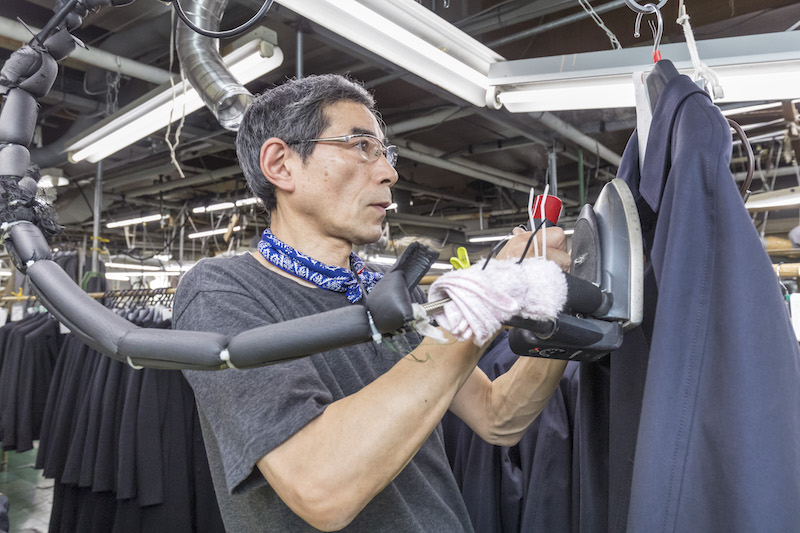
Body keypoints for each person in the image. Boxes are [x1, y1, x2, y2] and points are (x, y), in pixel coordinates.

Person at [173, 73, 570, 532]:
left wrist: (557, 307)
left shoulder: (394, 291)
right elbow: (320, 487)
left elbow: (498, 416)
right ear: (281, 165)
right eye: (361, 146)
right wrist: (487, 296)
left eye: (384, 152)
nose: (388, 173)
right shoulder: (222, 292)